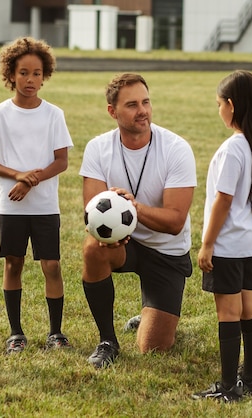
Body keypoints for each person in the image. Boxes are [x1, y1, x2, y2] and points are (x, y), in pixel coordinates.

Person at [79, 73, 196, 369]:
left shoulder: (176, 148)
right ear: (112, 111)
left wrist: (132, 208)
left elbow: (175, 221)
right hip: (123, 245)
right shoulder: (98, 148)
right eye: (132, 105)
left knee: (153, 348)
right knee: (93, 246)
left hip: (166, 250)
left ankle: (153, 316)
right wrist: (110, 230)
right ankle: (107, 341)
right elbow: (91, 211)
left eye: (146, 102)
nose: (142, 110)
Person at [0, 37, 73, 354]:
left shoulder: (54, 115)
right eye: (24, 73)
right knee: (13, 265)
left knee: (52, 266)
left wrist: (31, 181)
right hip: (10, 205)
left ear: (45, 75)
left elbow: (61, 161)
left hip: (45, 206)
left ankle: (55, 333)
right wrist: (17, 175)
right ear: (10, 74)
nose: (30, 80)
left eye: (37, 73)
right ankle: (16, 334)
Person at [192, 70, 252, 402]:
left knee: (227, 313)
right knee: (249, 307)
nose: (219, 111)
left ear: (230, 105)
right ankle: (251, 379)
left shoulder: (232, 149)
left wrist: (207, 243)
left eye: (218, 105)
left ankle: (227, 388)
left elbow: (223, 200)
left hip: (227, 246)